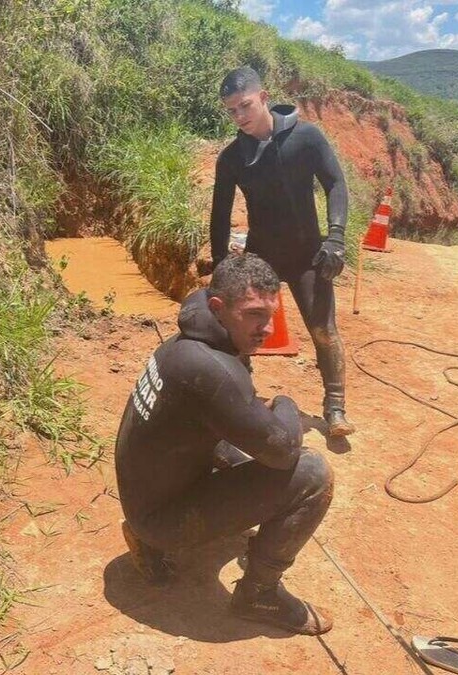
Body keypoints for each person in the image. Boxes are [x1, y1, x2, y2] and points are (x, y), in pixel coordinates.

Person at [114, 253, 335, 635]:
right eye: (253, 315)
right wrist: (287, 402)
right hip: (160, 517)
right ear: (218, 307)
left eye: (270, 315)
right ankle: (259, 595)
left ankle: (147, 535)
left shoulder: (191, 340)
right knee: (312, 473)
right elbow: (283, 451)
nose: (266, 329)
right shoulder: (211, 368)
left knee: (247, 452)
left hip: (147, 493)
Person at [210, 66, 356, 437]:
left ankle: (335, 409)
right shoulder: (232, 159)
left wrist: (336, 237)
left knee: (323, 329)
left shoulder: (306, 138)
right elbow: (220, 214)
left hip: (309, 253)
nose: (239, 117)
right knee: (240, 328)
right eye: (231, 111)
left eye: (244, 106)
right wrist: (220, 265)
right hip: (262, 256)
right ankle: (242, 400)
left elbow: (335, 183)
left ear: (263, 97)